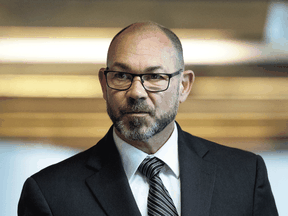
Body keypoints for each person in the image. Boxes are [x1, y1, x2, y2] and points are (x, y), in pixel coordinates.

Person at [18, 22, 278, 216]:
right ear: (103, 84)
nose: (136, 92)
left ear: (184, 86)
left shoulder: (245, 176)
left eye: (154, 77)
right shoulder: (49, 194)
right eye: (121, 76)